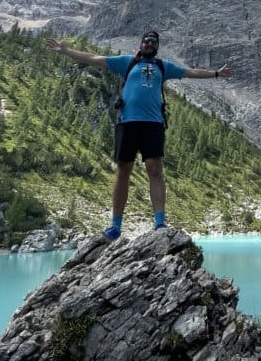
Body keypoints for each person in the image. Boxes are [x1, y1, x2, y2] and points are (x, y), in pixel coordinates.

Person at [45, 29, 233, 240]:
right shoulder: (126, 62)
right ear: (141, 44)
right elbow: (93, 59)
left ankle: (160, 223)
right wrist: (66, 51)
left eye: (153, 42)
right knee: (123, 171)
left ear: (157, 46)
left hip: (153, 124)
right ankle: (115, 226)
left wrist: (216, 73)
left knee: (155, 171)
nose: (149, 44)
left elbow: (191, 72)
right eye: (146, 41)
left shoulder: (164, 66)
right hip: (127, 122)